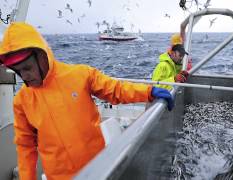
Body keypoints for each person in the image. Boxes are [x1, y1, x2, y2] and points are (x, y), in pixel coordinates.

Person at [0, 22, 174, 179]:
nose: (24, 76)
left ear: (42, 56)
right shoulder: (21, 101)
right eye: (18, 71)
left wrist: (149, 91)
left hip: (98, 171)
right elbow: (25, 147)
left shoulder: (80, 74)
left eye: (27, 68)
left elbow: (116, 90)